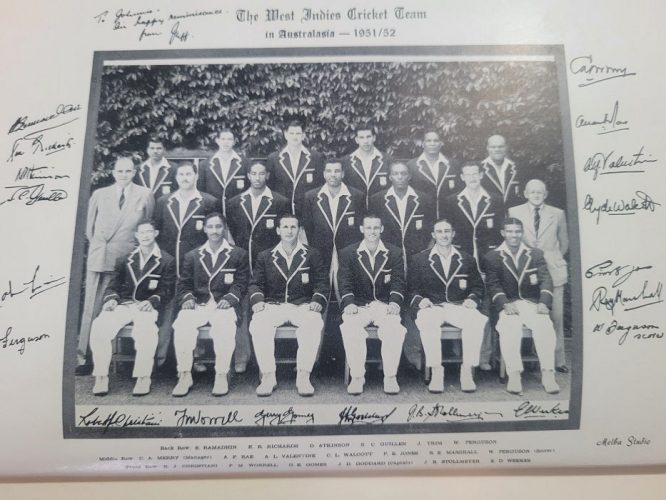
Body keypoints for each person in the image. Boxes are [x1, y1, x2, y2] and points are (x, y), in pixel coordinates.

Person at [77, 157, 155, 371]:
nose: (124, 175)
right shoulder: (99, 195)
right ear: (113, 172)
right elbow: (89, 228)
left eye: (128, 171)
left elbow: (146, 225)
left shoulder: (144, 194)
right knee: (92, 307)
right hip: (100, 255)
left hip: (126, 259)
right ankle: (85, 358)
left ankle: (124, 356)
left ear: (134, 172)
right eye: (120, 171)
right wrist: (100, 246)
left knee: (122, 305)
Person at [89, 219, 175, 396]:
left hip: (147, 308)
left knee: (145, 331)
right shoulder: (125, 259)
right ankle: (101, 377)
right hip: (124, 305)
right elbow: (113, 286)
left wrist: (152, 301)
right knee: (99, 326)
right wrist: (111, 299)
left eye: (149, 232)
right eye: (141, 233)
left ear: (156, 234)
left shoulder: (166, 260)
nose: (145, 236)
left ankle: (143, 377)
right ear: (136, 235)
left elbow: (167, 289)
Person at [248, 214, 329, 397]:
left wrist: (317, 300)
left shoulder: (312, 254)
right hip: (273, 305)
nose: (289, 231)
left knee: (313, 322)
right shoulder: (265, 256)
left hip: (302, 305)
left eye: (293, 227)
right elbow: (255, 284)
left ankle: (303, 375)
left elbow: (322, 283)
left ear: (299, 230)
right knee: (258, 323)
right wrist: (258, 300)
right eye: (285, 227)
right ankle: (268, 376)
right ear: (278, 230)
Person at [171, 213, 249, 397]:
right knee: (182, 323)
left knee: (223, 327)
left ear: (225, 229)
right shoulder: (193, 255)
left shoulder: (238, 254)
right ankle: (184, 374)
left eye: (219, 227)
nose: (215, 231)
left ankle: (221, 374)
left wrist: (229, 298)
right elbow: (183, 285)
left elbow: (241, 283)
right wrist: (188, 298)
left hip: (224, 306)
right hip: (199, 305)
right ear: (204, 229)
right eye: (211, 227)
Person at [408, 219, 487, 393]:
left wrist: (473, 299)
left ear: (453, 234)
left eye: (447, 231)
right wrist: (420, 300)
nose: (443, 235)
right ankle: (436, 371)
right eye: (439, 231)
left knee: (476, 320)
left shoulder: (466, 258)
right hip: (432, 307)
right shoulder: (420, 259)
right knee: (428, 322)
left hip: (457, 307)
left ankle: (466, 371)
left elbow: (478, 287)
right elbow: (412, 289)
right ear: (433, 235)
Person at [152, 162, 220, 366]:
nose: (184, 178)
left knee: (194, 309)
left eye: (188, 174)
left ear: (196, 176)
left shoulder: (208, 201)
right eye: (180, 174)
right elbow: (157, 231)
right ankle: (162, 359)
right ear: (176, 178)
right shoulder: (164, 201)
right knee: (167, 309)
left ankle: (196, 357)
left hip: (197, 266)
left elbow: (214, 233)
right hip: (171, 263)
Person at [483, 218, 560, 395]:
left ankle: (548, 374)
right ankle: (514, 374)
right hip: (508, 304)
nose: (514, 235)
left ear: (522, 233)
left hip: (532, 303)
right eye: (509, 231)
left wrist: (543, 302)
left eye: (517, 231)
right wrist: (504, 303)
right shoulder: (493, 256)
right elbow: (493, 285)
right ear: (503, 233)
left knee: (545, 326)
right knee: (510, 327)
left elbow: (546, 279)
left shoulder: (535, 254)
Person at [226, 161, 290, 372]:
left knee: (267, 306)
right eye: (253, 173)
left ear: (267, 175)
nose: (257, 177)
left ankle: (269, 359)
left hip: (268, 264)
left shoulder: (279, 201)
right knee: (242, 306)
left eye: (261, 173)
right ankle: (243, 357)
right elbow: (233, 234)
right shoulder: (236, 202)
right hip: (243, 263)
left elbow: (283, 233)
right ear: (248, 176)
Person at [337, 214, 407, 395]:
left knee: (394, 327)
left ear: (382, 229)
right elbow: (344, 281)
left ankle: (390, 377)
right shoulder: (347, 253)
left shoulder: (394, 252)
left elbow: (398, 281)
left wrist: (395, 302)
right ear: (362, 229)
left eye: (376, 228)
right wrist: (349, 303)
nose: (372, 232)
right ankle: (358, 377)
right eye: (368, 228)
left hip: (384, 305)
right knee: (350, 327)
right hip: (358, 305)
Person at [508, 179, 569, 372]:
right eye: (532, 192)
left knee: (556, 316)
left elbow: (564, 242)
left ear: (546, 194)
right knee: (531, 312)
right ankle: (528, 357)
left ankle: (558, 360)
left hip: (553, 268)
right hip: (525, 270)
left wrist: (551, 257)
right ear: (525, 193)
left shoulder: (557, 214)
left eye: (540, 192)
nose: (536, 195)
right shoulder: (514, 212)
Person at [302, 158, 365, 292]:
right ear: (324, 174)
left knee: (347, 290)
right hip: (321, 251)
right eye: (329, 171)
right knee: (320, 290)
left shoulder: (356, 196)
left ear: (343, 173)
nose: (333, 174)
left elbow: (360, 228)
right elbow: (308, 227)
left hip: (347, 251)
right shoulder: (311, 196)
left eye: (337, 171)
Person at [369, 161, 434, 268]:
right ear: (390, 177)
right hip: (388, 255)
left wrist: (427, 252)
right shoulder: (377, 199)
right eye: (395, 174)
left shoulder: (424, 199)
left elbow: (431, 229)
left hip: (418, 255)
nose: (400, 177)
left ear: (409, 176)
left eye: (403, 173)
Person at [266, 120, 325, 218]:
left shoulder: (316, 157)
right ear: (286, 135)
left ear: (303, 136)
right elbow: (270, 187)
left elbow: (320, 186)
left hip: (307, 212)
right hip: (282, 212)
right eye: (291, 133)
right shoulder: (274, 158)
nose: (295, 136)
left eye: (298, 133)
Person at [407, 130, 461, 220]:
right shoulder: (411, 166)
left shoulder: (453, 165)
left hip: (448, 216)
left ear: (441, 143)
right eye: (428, 141)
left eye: (436, 141)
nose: (432, 144)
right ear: (423, 144)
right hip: (422, 215)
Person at [197, 129, 250, 218]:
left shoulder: (245, 163)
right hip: (213, 212)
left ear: (234, 142)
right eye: (223, 139)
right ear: (217, 141)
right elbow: (201, 192)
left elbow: (248, 189)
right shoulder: (205, 165)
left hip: (238, 212)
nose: (226, 142)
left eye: (229, 139)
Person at [341, 125, 391, 209]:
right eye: (361, 137)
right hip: (355, 209)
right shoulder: (346, 162)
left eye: (368, 137)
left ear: (374, 138)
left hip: (381, 209)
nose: (365, 141)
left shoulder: (387, 160)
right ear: (356, 140)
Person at [480, 135, 523, 209]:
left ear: (506, 147)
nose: (497, 150)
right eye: (493, 147)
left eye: (500, 147)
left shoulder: (517, 167)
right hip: (490, 214)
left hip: (513, 215)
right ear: (487, 148)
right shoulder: (479, 168)